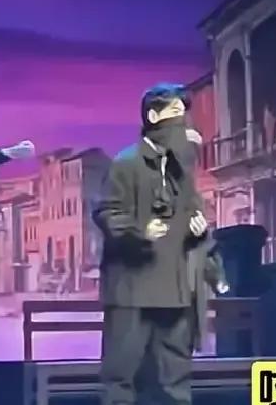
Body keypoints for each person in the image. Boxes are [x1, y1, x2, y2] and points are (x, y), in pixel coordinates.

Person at [93, 83, 211, 405]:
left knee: (174, 377)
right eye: (175, 113)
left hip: (174, 289)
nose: (183, 122)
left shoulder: (179, 170)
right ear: (153, 117)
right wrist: (138, 232)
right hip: (132, 290)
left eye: (184, 114)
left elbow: (193, 210)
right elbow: (107, 211)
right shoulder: (126, 163)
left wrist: (198, 229)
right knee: (122, 376)